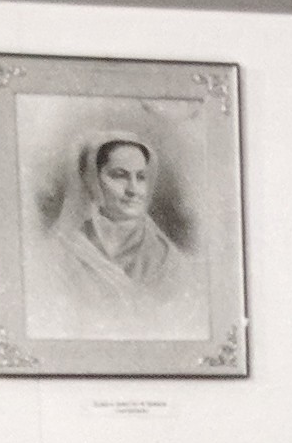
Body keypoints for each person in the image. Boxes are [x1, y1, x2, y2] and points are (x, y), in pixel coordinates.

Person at [27, 128, 205, 339]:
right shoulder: (58, 254)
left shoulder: (170, 260)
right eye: (119, 176)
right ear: (93, 179)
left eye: (141, 177)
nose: (133, 189)